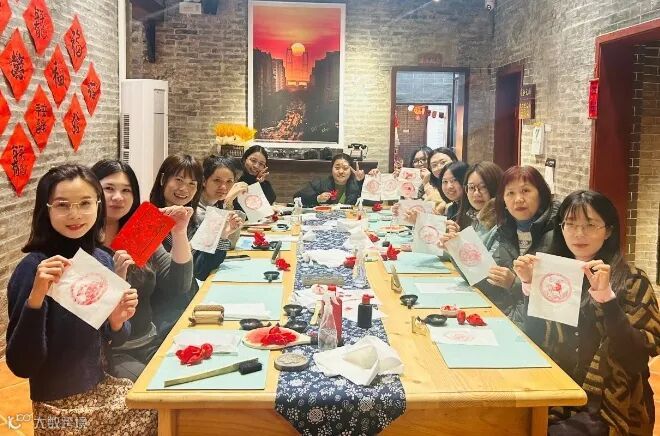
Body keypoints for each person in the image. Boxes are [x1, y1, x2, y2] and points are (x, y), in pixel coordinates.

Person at [5, 164, 156, 435]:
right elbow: (21, 365)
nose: (75, 214)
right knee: (162, 417)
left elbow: (115, 339)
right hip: (59, 409)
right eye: (62, 205)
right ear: (46, 209)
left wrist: (117, 321)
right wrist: (36, 298)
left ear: (98, 205)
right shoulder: (35, 268)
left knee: (167, 410)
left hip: (102, 388)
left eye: (85, 203)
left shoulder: (101, 259)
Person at [513, 190, 660, 435]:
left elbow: (636, 357)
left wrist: (608, 300)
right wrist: (530, 287)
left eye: (590, 225)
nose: (579, 233)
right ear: (561, 228)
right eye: (570, 224)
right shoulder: (555, 276)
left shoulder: (633, 281)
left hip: (609, 405)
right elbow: (535, 340)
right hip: (555, 391)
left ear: (608, 231)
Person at [91, 160, 194, 377]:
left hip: (150, 341)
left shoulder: (138, 231)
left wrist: (179, 232)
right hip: (110, 351)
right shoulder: (84, 242)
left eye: (126, 190)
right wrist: (116, 278)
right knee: (156, 387)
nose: (118, 197)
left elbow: (179, 285)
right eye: (109, 188)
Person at [478, 165, 558, 325]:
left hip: (538, 328)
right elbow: (481, 275)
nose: (519, 199)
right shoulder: (502, 228)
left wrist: (513, 283)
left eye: (526, 191)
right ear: (503, 200)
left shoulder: (557, 234)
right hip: (500, 318)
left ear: (541, 194)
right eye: (510, 193)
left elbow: (558, 295)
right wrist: (455, 246)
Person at [198, 155, 247, 249]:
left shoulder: (214, 205)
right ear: (204, 181)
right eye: (217, 180)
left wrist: (229, 202)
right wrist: (228, 202)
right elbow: (228, 245)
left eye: (229, 181)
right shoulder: (198, 211)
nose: (223, 187)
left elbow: (230, 241)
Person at [294, 153, 366, 207]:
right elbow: (297, 197)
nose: (341, 171)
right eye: (337, 168)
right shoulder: (320, 183)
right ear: (332, 169)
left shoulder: (357, 184)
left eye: (345, 168)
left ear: (351, 171)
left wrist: (361, 181)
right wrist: (317, 198)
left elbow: (369, 202)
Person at [454, 161, 502, 235]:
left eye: (483, 187)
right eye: (471, 187)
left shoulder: (503, 224)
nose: (476, 193)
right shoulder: (466, 218)